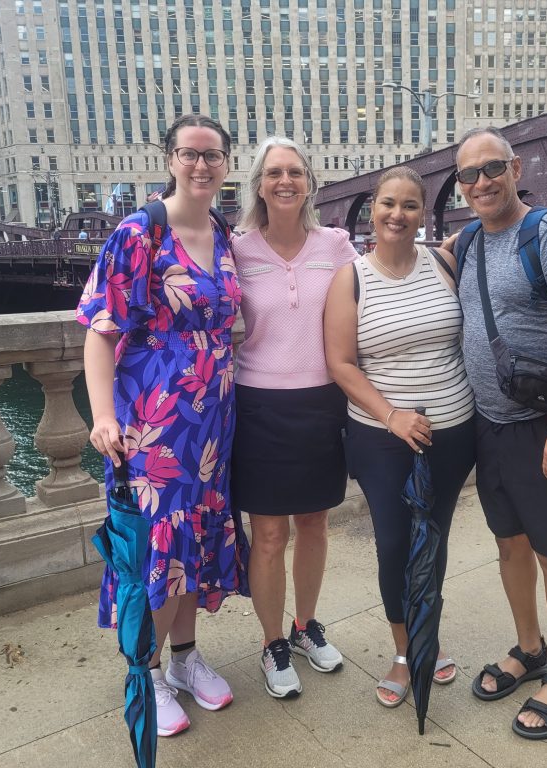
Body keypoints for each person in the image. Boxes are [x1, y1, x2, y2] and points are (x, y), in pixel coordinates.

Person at [76, 114, 248, 737]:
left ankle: (184, 659)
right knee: (156, 542)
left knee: (195, 540)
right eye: (189, 154)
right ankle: (145, 668)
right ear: (170, 158)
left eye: (213, 155)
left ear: (228, 163)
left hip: (212, 423)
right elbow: (100, 333)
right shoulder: (138, 232)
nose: (201, 165)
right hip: (152, 423)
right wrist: (102, 417)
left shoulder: (224, 234)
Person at [454, 127, 547, 740]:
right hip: (489, 425)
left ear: (515, 168)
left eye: (492, 168)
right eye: (469, 175)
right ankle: (530, 647)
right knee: (509, 544)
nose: (482, 182)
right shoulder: (467, 241)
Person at [324, 167, 475, 708]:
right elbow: (340, 363)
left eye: (410, 205)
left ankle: (429, 632)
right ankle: (404, 649)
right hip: (382, 437)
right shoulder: (352, 277)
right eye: (388, 203)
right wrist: (392, 415)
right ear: (373, 208)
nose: (398, 214)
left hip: (455, 431)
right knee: (394, 543)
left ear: (423, 213)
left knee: (434, 540)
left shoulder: (444, 262)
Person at [231, 137, 357, 699]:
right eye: (274, 172)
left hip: (322, 401)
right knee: (268, 534)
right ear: (259, 183)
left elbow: (378, 287)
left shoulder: (336, 243)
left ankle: (306, 627)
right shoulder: (235, 249)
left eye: (296, 172)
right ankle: (271, 641)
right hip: (258, 404)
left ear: (309, 182)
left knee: (314, 525)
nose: (286, 181)